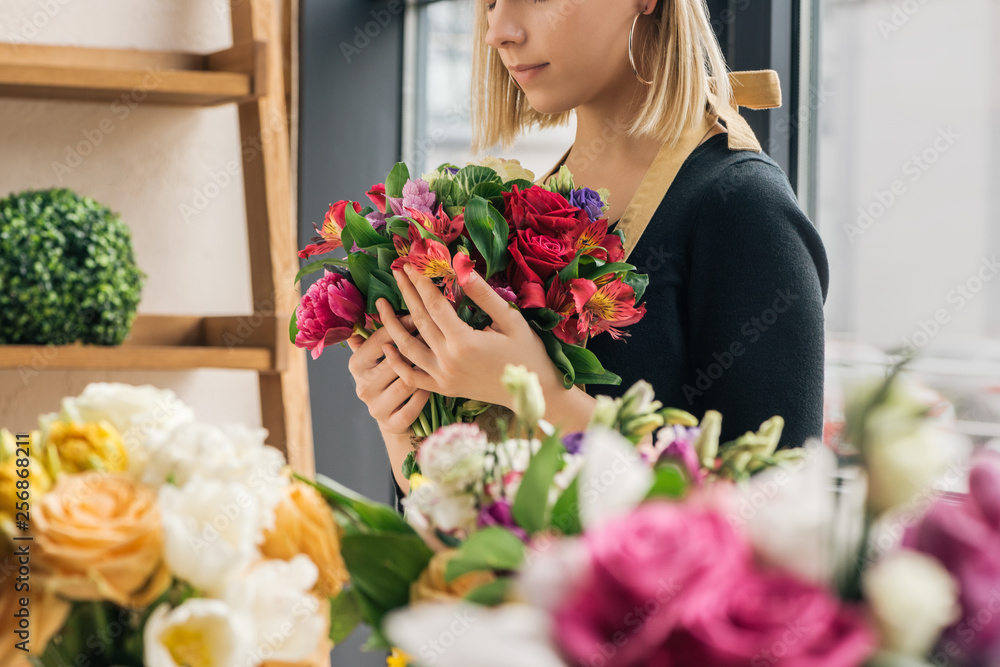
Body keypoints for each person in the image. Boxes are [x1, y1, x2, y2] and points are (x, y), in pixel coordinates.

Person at [346, 0, 829, 500]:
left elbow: (775, 530)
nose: (499, 31)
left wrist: (543, 396)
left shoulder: (745, 210)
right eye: (489, 1)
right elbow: (464, 543)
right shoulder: (516, 212)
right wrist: (408, 426)